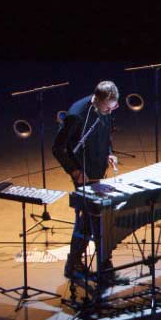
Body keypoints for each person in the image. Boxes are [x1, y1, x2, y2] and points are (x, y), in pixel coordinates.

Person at [52, 80, 122, 286]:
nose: (111, 111)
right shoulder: (77, 115)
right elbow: (58, 148)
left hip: (98, 170)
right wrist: (74, 170)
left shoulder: (106, 110)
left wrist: (110, 154)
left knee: (96, 220)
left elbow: (105, 135)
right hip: (82, 173)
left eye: (114, 107)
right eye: (108, 107)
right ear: (98, 101)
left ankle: (89, 265)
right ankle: (86, 266)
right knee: (91, 221)